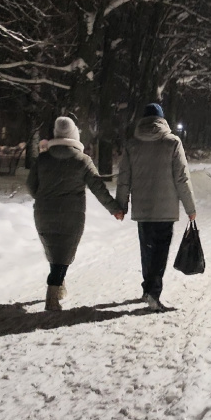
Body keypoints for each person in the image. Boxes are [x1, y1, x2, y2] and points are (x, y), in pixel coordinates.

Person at [27, 116, 124, 312]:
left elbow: (31, 186)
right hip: (71, 215)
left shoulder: (43, 159)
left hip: (43, 213)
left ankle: (59, 285)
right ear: (73, 135)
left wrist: (44, 197)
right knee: (64, 253)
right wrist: (115, 208)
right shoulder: (82, 160)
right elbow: (98, 188)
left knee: (54, 251)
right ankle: (52, 295)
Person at [117, 103, 197, 312]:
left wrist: (121, 204)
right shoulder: (172, 143)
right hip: (165, 209)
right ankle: (154, 293)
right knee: (160, 251)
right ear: (162, 120)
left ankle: (147, 288)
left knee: (147, 249)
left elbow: (124, 178)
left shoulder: (132, 144)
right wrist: (190, 207)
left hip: (142, 208)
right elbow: (182, 178)